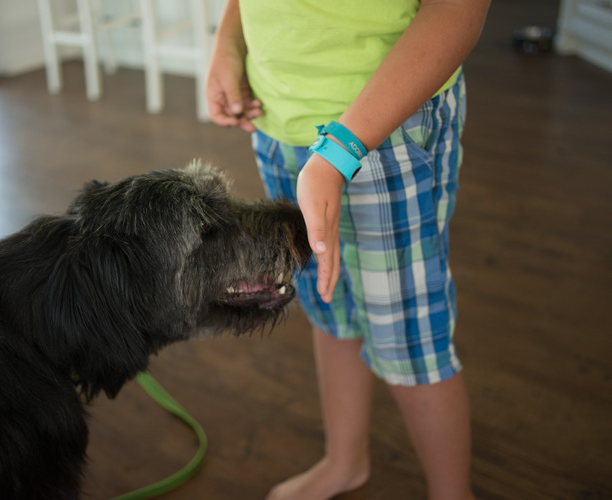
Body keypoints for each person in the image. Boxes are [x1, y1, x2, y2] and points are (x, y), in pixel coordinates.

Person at [206, 1, 491, 499]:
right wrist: (229, 40)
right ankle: (344, 461)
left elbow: (458, 11)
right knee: (329, 304)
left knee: (409, 335)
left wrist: (338, 154)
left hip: (385, 131)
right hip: (281, 125)